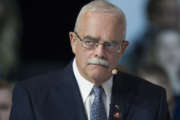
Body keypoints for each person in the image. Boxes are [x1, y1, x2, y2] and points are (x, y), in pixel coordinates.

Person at [10, 0, 170, 120]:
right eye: (89, 42)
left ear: (123, 49)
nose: (99, 52)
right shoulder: (32, 96)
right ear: (73, 41)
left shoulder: (152, 99)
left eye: (110, 44)